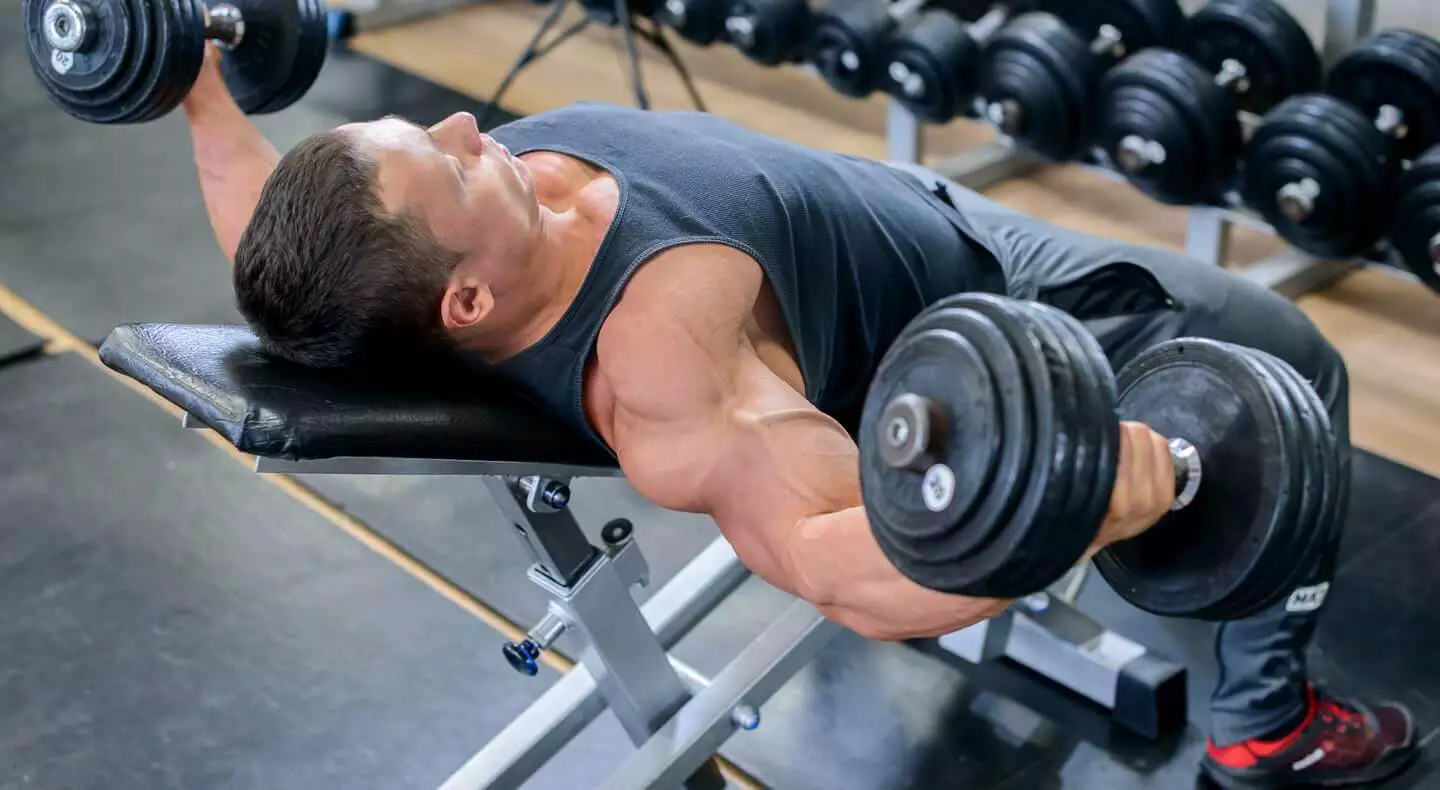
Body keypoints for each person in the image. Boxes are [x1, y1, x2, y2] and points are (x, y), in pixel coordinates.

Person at [181, 46, 1414, 788]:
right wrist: (1074, 504)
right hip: (987, 309)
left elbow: (275, 254)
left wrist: (198, 99)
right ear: (465, 296)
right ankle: (1266, 731)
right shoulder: (667, 371)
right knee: (1289, 365)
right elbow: (845, 568)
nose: (466, 126)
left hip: (908, 213)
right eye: (452, 163)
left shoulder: (367, 266)